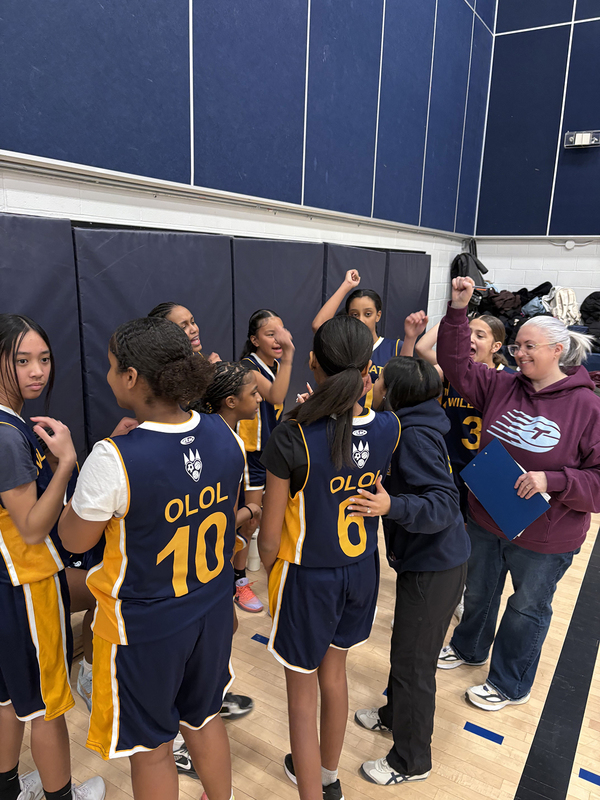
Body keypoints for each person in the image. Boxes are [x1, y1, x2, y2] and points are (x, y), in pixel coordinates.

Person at [59, 317, 245, 800]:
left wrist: (70, 468)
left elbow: (73, 540)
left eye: (111, 366)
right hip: (209, 612)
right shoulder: (225, 433)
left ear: (131, 377)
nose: (107, 375)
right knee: (204, 719)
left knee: (152, 749)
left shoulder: (112, 456)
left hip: (145, 629)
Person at [435, 277, 600, 710]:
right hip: (487, 518)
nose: (519, 353)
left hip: (546, 535)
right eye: (517, 346)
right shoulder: (502, 385)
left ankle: (509, 683)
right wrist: (458, 310)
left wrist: (553, 481)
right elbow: (455, 363)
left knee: (527, 609)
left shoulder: (587, 407)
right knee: (478, 592)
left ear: (557, 351)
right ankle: (469, 647)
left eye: (529, 346)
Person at [259, 316, 401, 800]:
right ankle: (328, 778)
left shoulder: (292, 434)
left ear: (313, 364)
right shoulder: (389, 426)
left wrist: (269, 573)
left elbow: (269, 539)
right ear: (367, 371)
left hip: (307, 577)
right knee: (334, 675)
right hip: (361, 572)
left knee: (301, 698)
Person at [349, 357, 470, 785]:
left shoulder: (414, 434)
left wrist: (392, 506)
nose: (374, 384)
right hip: (428, 559)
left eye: (379, 379)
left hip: (436, 565)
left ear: (395, 392)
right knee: (406, 652)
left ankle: (411, 760)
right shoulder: (415, 420)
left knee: (414, 665)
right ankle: (392, 715)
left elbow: (444, 502)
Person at [0, 313, 105, 800]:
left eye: (43, 359)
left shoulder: (13, 423)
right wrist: (66, 461)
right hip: (26, 585)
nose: (37, 370)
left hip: (10, 583)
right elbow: (32, 525)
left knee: (9, 699)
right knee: (47, 705)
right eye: (22, 360)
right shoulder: (8, 434)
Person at [172, 361, 262, 779]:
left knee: (222, 633)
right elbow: (218, 515)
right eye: (252, 392)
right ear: (229, 401)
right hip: (190, 570)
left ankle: (210, 696)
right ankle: (180, 739)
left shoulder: (223, 436)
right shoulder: (221, 442)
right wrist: (251, 512)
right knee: (193, 648)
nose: (259, 398)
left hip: (212, 564)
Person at [416, 314, 514, 518]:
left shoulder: (508, 379)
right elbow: (422, 348)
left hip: (484, 466)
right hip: (450, 461)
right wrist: (454, 315)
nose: (470, 338)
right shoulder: (454, 372)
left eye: (480, 335)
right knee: (450, 521)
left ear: (496, 346)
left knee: (478, 524)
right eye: (467, 333)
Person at [236, 310, 295, 613]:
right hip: (251, 453)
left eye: (281, 332)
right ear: (254, 339)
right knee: (250, 520)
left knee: (266, 519)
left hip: (270, 452)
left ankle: (263, 577)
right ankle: (238, 582)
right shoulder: (248, 367)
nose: (278, 339)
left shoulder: (275, 365)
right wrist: (290, 356)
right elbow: (275, 396)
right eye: (271, 334)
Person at [311, 270, 414, 409]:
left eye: (368, 314)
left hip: (378, 419)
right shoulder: (343, 346)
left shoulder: (395, 347)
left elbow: (406, 382)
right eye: (354, 315)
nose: (361, 320)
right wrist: (347, 285)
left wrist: (411, 338)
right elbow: (318, 326)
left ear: (378, 316)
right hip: (344, 416)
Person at [148, 302, 221, 363]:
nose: (194, 329)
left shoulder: (197, 360)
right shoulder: (165, 372)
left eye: (192, 322)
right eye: (183, 327)